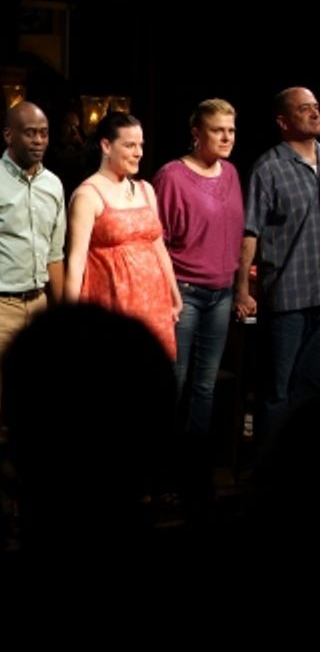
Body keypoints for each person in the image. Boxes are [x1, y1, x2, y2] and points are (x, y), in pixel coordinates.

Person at [0, 101, 65, 444]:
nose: (38, 140)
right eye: (30, 133)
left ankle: (22, 495)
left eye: (44, 133)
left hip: (38, 305)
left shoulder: (53, 185)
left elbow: (55, 257)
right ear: (9, 135)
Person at [152, 99, 243, 438]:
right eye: (218, 130)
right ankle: (161, 469)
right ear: (196, 133)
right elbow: (156, 239)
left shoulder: (231, 173)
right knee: (173, 381)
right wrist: (172, 293)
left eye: (231, 130)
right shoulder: (172, 176)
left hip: (221, 293)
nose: (226, 137)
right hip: (184, 292)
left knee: (205, 386)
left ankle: (193, 468)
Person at [236, 86, 320, 441]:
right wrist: (242, 288)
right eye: (304, 109)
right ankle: (268, 474)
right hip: (287, 297)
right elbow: (250, 231)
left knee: (311, 388)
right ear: (283, 121)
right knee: (277, 391)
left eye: (316, 107)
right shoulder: (268, 168)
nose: (315, 113)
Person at [65, 111, 181, 357]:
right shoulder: (88, 195)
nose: (138, 152)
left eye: (140, 145)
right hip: (112, 306)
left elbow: (158, 247)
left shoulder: (145, 189)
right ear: (106, 146)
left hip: (153, 305)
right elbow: (76, 262)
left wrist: (174, 293)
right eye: (130, 145)